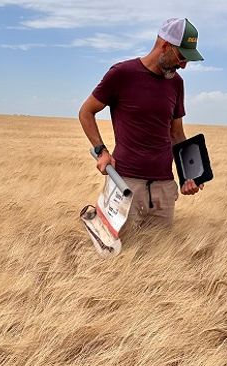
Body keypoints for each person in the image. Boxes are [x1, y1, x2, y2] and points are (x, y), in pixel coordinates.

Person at [78, 17, 206, 232]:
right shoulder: (122, 74)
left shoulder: (176, 83)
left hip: (164, 189)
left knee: (160, 258)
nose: (184, 65)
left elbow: (176, 133)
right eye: (182, 57)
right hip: (127, 185)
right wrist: (101, 152)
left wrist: (188, 174)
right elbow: (86, 112)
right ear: (165, 45)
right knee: (117, 255)